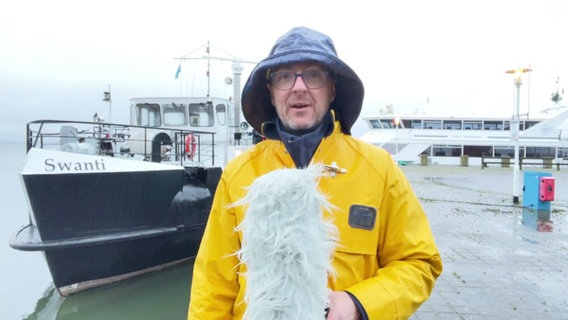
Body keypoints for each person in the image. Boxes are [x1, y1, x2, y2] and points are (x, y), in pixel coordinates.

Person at [188, 26, 442, 320]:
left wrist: (359, 303)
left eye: (313, 75)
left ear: (332, 89)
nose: (298, 87)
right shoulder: (238, 174)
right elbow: (212, 286)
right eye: (284, 76)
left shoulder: (379, 168)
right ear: (270, 93)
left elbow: (420, 262)